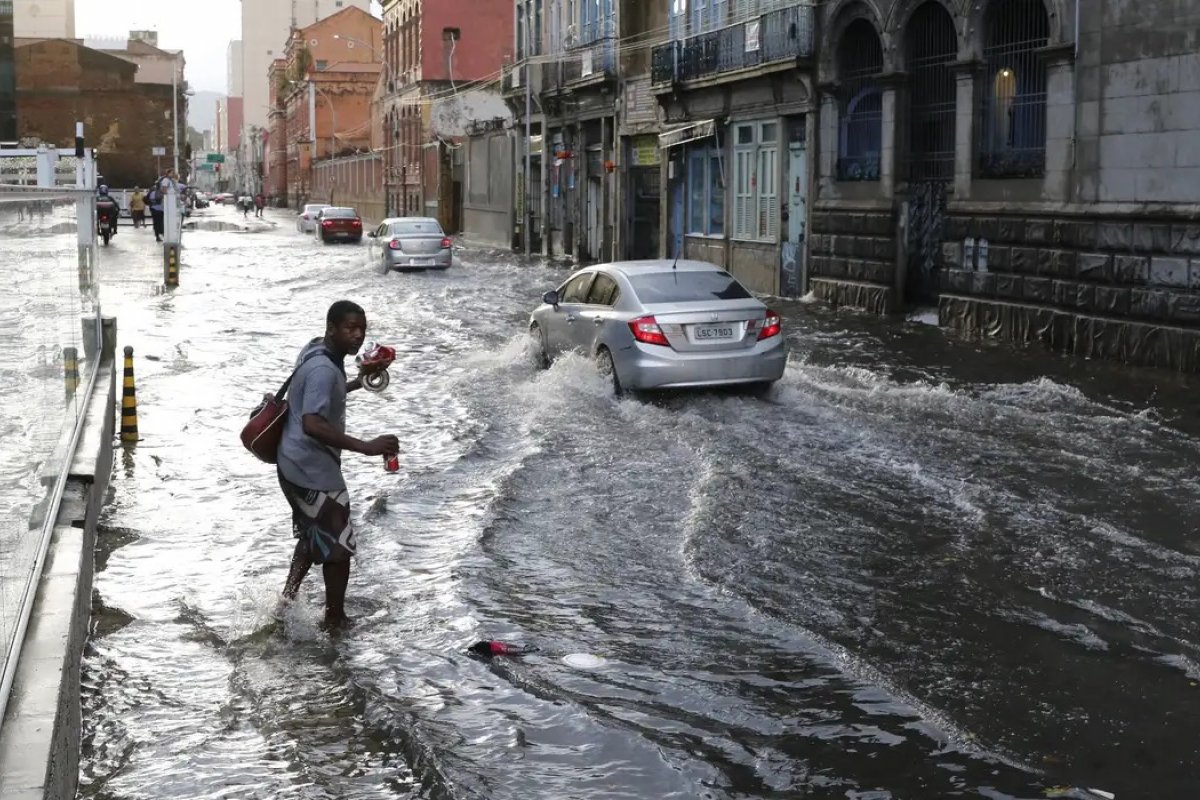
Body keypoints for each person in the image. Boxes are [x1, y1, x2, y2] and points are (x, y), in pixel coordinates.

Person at [276, 300, 399, 630]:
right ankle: (335, 619)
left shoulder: (316, 350)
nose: (358, 336)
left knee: (313, 531)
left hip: (290, 463)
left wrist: (360, 381)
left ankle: (286, 601)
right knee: (340, 546)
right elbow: (312, 423)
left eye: (362, 330)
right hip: (311, 470)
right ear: (331, 328)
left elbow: (321, 393)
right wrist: (367, 447)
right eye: (350, 329)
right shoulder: (324, 369)